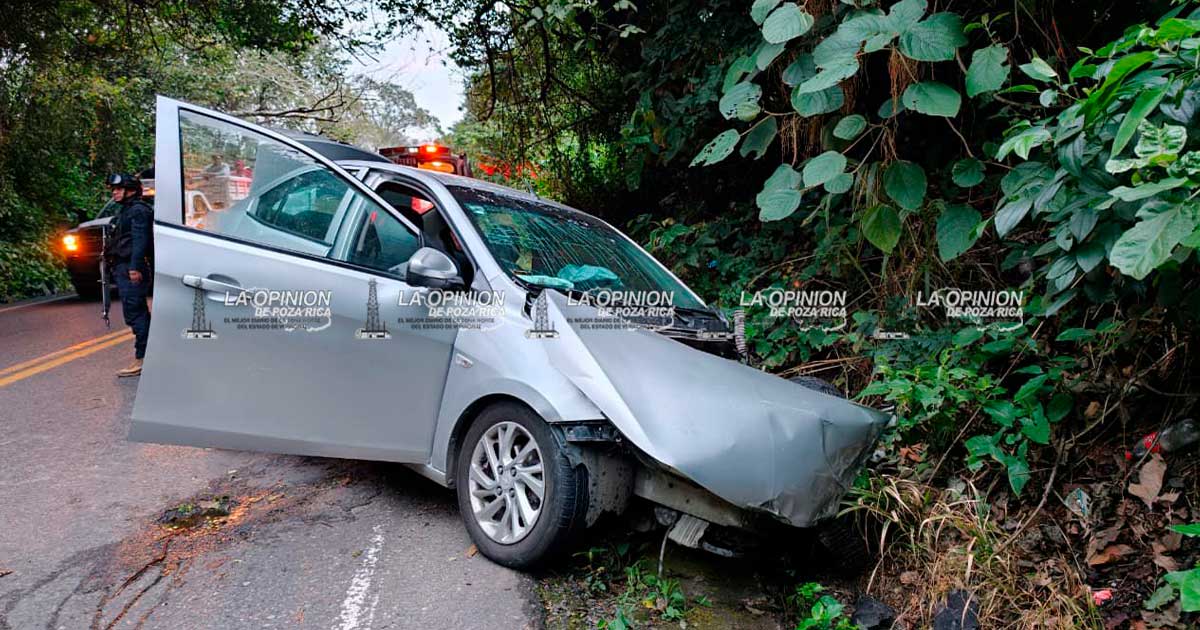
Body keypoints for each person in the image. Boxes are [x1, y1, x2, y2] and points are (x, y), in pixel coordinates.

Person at [104, 173, 154, 377]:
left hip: (132, 268)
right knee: (135, 312)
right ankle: (148, 355)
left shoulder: (139, 211)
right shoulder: (125, 211)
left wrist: (134, 267)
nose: (114, 193)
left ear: (130, 190)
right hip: (123, 267)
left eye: (118, 189)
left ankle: (143, 358)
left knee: (136, 312)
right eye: (114, 190)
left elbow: (140, 240)